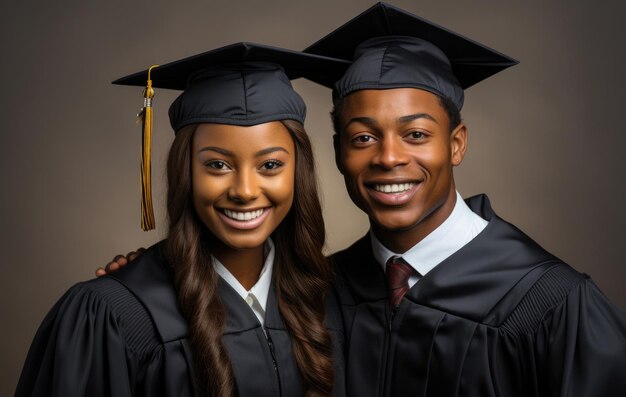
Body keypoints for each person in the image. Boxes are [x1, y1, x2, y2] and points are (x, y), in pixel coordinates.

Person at [97, 3, 626, 396]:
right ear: (336, 152)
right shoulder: (318, 290)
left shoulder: (551, 303)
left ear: (457, 143)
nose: (388, 158)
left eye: (416, 134)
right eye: (363, 137)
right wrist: (153, 272)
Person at [15, 42, 349, 397]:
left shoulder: (327, 301)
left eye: (270, 165)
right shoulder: (113, 315)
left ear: (299, 172)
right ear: (185, 171)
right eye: (217, 164)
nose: (245, 191)